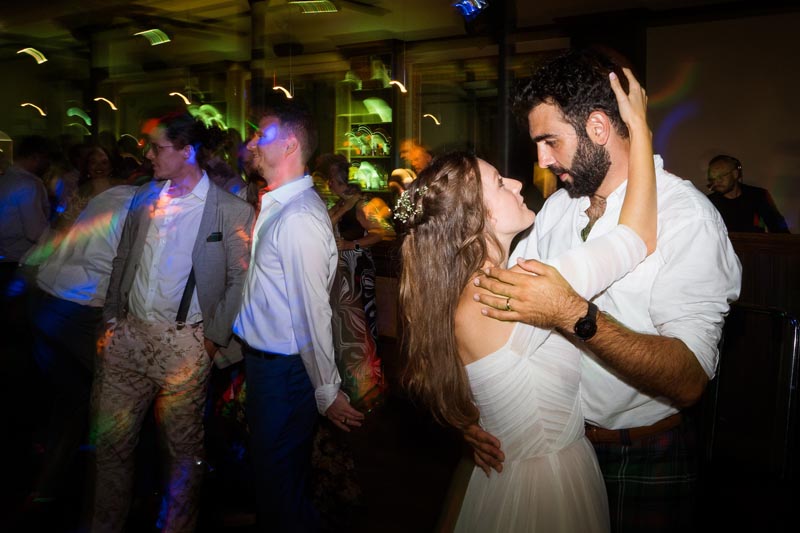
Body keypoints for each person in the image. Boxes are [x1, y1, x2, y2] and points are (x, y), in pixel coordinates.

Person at [471, 49, 742, 532]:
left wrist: (576, 314)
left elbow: (689, 379)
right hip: (552, 447)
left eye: (549, 141)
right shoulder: (556, 209)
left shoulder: (687, 217)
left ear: (598, 127)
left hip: (639, 453)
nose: (541, 159)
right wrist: (472, 414)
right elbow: (490, 317)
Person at [399, 68, 655, 532]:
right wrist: (638, 129)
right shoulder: (512, 292)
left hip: (510, 473)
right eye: (499, 183)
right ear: (474, 220)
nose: (518, 183)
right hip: (547, 486)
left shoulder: (471, 292)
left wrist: (467, 426)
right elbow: (634, 239)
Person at [91, 112, 254, 533]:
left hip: (185, 345)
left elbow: (240, 279)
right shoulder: (144, 196)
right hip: (128, 337)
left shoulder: (230, 209)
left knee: (182, 452)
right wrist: (112, 320)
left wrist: (212, 341)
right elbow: (123, 258)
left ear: (187, 151)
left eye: (157, 148)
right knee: (111, 446)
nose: (147, 155)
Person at [232, 101, 364, 532]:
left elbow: (312, 313)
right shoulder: (280, 206)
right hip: (270, 368)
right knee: (276, 482)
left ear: (289, 144)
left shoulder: (298, 218)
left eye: (261, 135)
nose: (251, 142)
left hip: (285, 375)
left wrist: (326, 391)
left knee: (280, 488)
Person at [24, 184, 137, 520]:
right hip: (78, 307)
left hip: (44, 301)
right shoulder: (142, 209)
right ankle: (106, 505)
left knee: (72, 401)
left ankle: (44, 491)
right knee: (122, 397)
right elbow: (129, 271)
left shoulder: (111, 194)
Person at [318, 153, 394, 408]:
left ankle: (369, 382)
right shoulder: (341, 204)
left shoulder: (362, 205)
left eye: (331, 180)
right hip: (341, 273)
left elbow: (381, 233)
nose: (328, 184)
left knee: (361, 322)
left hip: (357, 270)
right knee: (343, 324)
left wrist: (351, 244)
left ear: (342, 181)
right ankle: (349, 378)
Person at [707, 154, 790, 233]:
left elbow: (779, 228)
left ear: (735, 174)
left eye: (722, 175)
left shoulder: (758, 196)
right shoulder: (709, 203)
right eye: (713, 178)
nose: (717, 181)